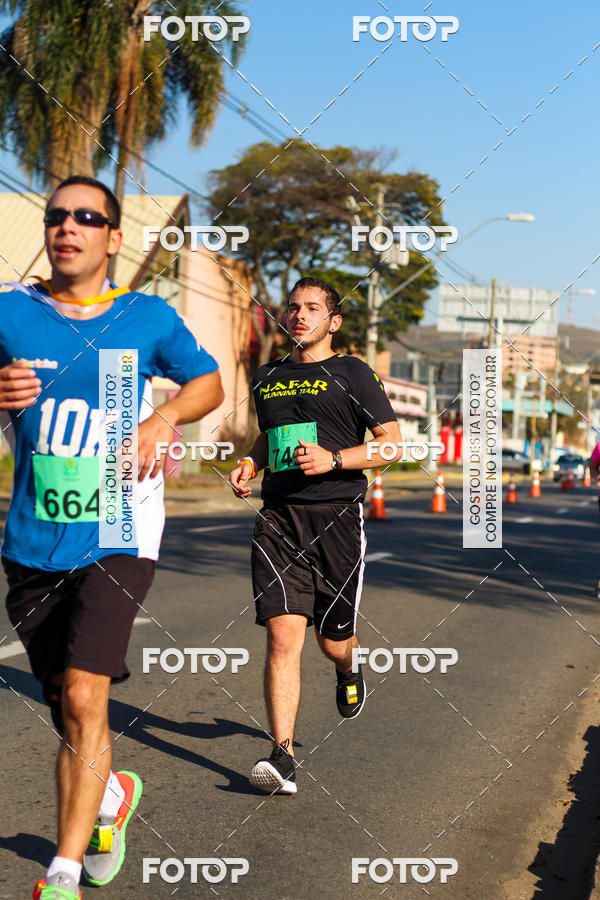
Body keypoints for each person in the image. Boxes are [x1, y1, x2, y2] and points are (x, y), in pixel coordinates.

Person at [0, 175, 224, 899]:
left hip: (121, 527)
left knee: (88, 696)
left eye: (87, 217)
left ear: (114, 237)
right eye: (58, 216)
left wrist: (164, 418)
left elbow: (210, 383)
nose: (69, 227)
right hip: (33, 538)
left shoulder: (146, 319)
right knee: (66, 700)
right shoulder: (10, 313)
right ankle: (108, 799)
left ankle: (60, 874)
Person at [229, 276, 402, 794]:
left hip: (336, 518)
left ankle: (348, 667)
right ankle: (281, 757)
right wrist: (249, 462)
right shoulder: (268, 377)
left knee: (331, 642)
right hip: (278, 516)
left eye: (312, 308)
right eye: (293, 307)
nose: (299, 315)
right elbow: (270, 435)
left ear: (334, 322)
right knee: (283, 636)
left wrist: (335, 460)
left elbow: (391, 446)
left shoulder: (353, 372)